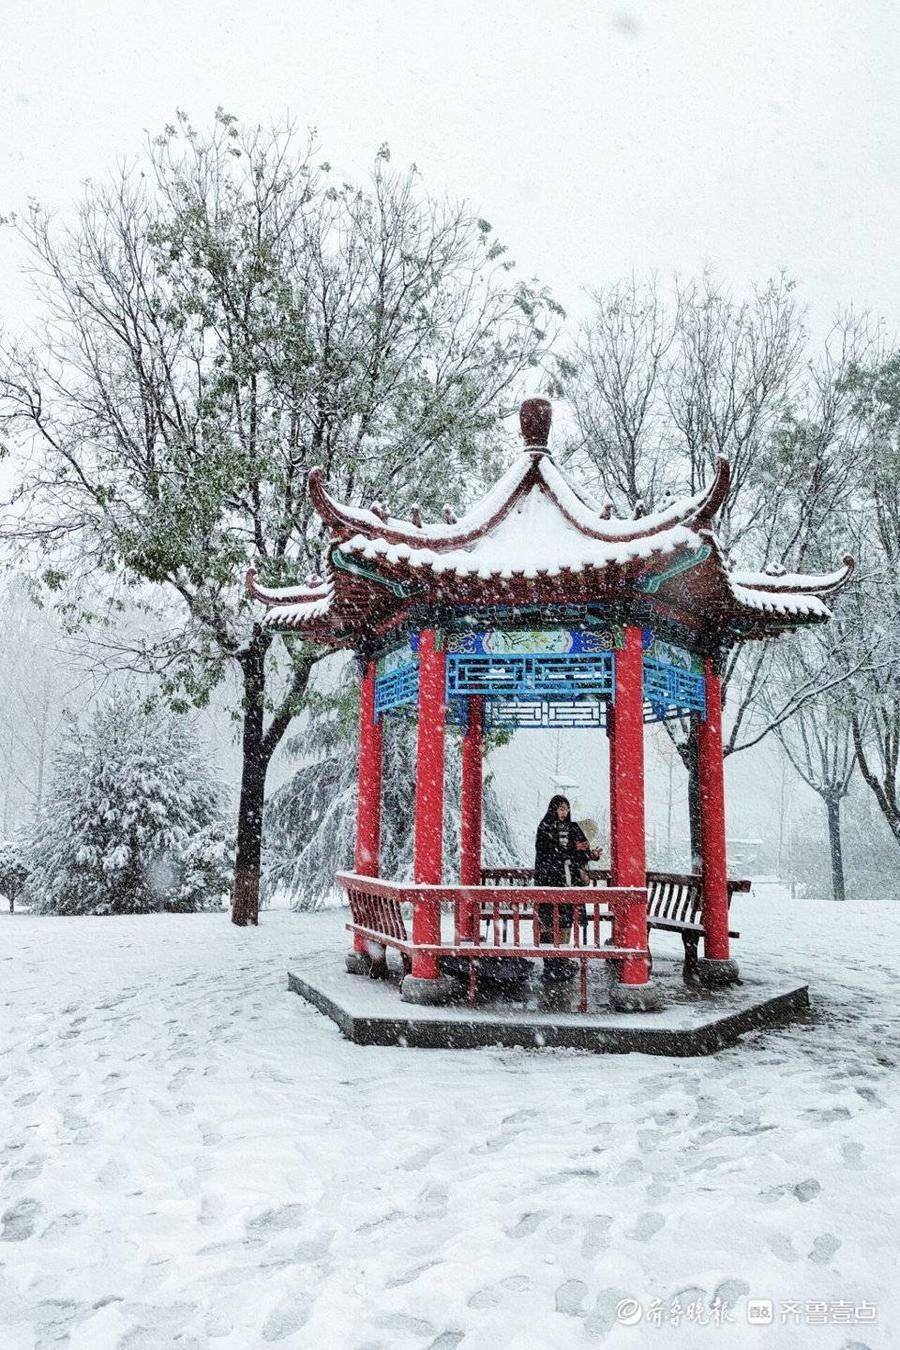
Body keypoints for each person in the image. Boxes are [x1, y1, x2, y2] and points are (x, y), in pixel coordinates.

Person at [534, 795, 600, 977]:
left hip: (569, 881)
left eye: (566, 809)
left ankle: (563, 958)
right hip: (549, 881)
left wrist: (591, 855)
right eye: (560, 809)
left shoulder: (574, 828)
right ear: (553, 809)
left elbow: (582, 852)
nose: (563, 812)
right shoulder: (545, 827)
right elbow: (547, 853)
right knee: (548, 920)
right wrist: (570, 851)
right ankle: (550, 961)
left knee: (566, 920)